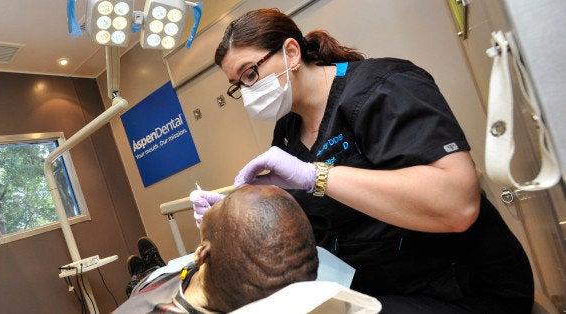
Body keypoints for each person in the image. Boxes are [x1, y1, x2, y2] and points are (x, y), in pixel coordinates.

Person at [192, 8, 534, 313]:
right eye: (238, 85)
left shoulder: (383, 87)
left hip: (462, 288)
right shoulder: (288, 131)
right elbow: (307, 222)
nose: (247, 90)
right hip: (379, 287)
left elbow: (458, 204)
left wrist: (317, 176)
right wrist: (233, 217)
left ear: (291, 52)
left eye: (250, 73)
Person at [114, 185, 319, 313]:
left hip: (147, 296)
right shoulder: (237, 276)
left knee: (143, 285)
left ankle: (142, 278)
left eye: (225, 202)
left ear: (200, 254)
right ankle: (151, 270)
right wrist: (230, 232)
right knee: (160, 274)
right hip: (180, 278)